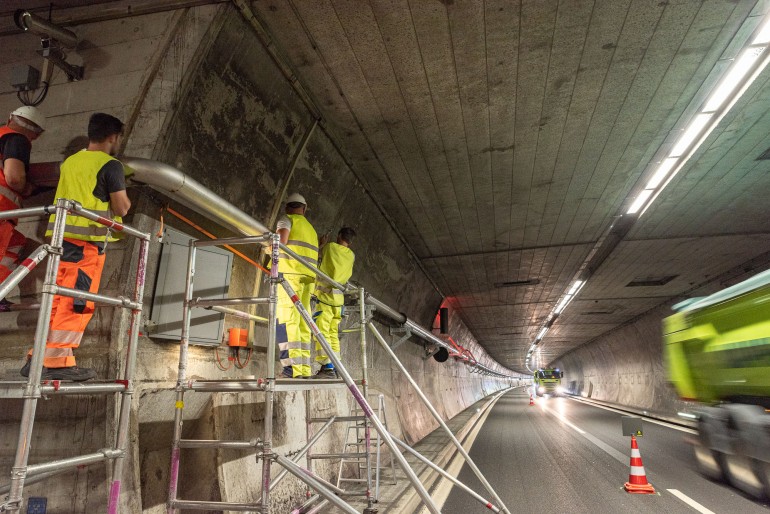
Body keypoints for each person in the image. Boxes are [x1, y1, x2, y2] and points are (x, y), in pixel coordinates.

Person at [21, 113, 131, 381]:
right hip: (87, 246)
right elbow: (121, 207)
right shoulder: (111, 165)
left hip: (62, 241)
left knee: (58, 300)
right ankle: (57, 362)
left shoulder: (71, 162)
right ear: (113, 137)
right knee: (76, 303)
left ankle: (39, 358)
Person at [0, 106, 46, 308]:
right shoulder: (17, 139)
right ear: (35, 133)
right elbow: (14, 177)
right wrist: (27, 188)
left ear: (11, 118)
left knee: (16, 243)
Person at [274, 193, 318, 378]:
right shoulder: (311, 230)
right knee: (302, 323)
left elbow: (280, 242)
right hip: (307, 280)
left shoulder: (286, 219)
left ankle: (290, 368)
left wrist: (267, 247)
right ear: (304, 208)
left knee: (286, 322)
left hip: (288, 277)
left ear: (287, 207)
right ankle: (304, 369)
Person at [312, 227, 355, 379]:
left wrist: (321, 243)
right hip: (339, 302)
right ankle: (336, 366)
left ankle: (327, 367)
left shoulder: (330, 247)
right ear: (350, 241)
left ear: (339, 236)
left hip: (325, 299)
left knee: (321, 332)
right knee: (333, 335)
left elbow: (315, 256)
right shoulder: (351, 255)